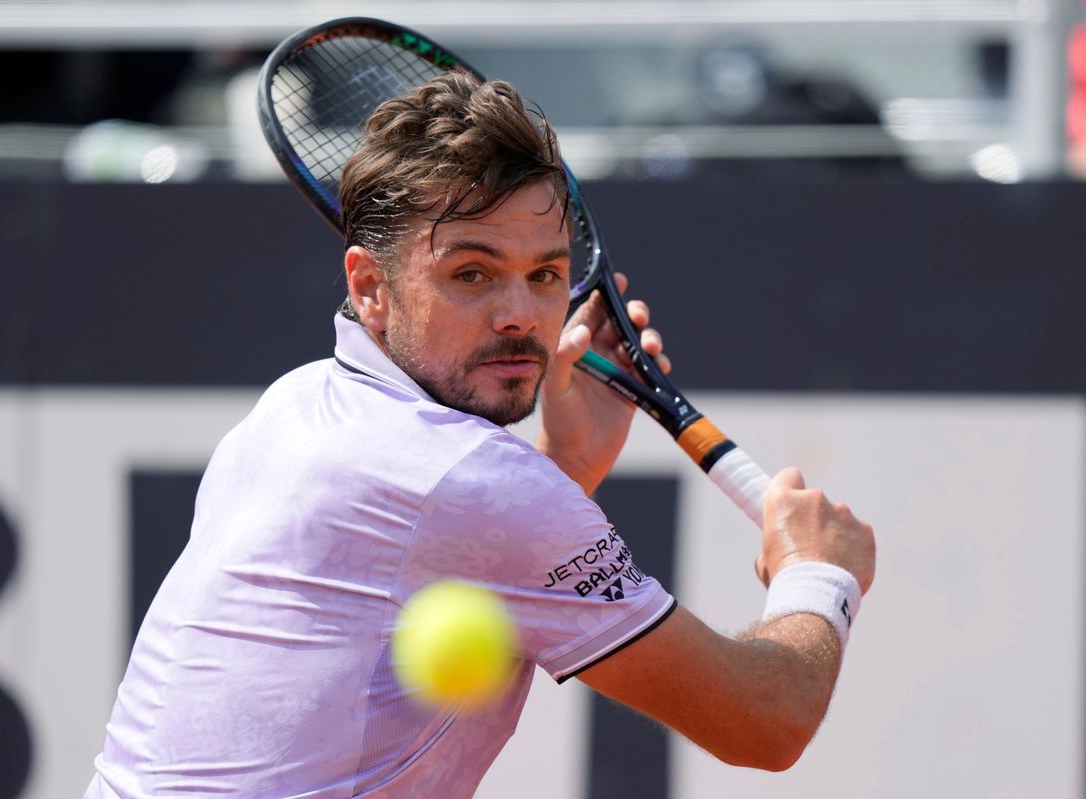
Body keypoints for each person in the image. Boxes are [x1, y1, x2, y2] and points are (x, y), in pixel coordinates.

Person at [84, 72, 874, 798]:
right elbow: (764, 718)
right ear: (370, 287)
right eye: (472, 272)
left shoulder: (295, 406)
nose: (520, 315)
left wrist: (565, 464)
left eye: (545, 274)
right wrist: (817, 574)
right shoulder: (474, 481)